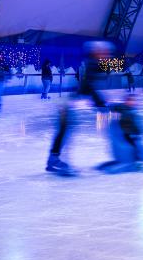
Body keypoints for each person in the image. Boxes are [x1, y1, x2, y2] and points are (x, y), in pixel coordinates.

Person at [46, 41, 111, 175]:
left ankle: (54, 159)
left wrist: (99, 101)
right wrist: (99, 102)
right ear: (97, 52)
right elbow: (87, 87)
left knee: (66, 130)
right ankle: (54, 160)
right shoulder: (92, 65)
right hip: (70, 103)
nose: (106, 55)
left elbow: (88, 86)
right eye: (104, 53)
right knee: (65, 130)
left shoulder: (92, 65)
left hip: (71, 103)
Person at [95, 94, 143, 173]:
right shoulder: (125, 110)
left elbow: (132, 123)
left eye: (134, 101)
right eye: (131, 101)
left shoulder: (127, 110)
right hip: (128, 134)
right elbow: (128, 123)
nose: (133, 103)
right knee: (136, 146)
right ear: (127, 101)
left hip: (130, 133)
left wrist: (139, 131)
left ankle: (138, 160)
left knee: (137, 146)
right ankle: (139, 162)